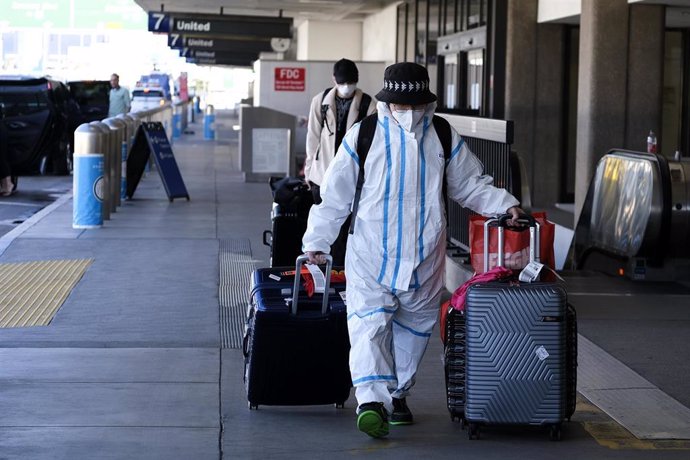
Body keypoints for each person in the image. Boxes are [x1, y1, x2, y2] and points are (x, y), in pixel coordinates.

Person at [302, 62, 522, 439]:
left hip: (425, 257)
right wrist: (317, 244)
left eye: (415, 105)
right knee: (368, 325)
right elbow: (334, 197)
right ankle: (371, 401)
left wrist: (504, 204)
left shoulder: (442, 136)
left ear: (426, 103)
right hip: (371, 252)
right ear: (389, 103)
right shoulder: (364, 136)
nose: (409, 113)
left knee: (413, 333)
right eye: (401, 106)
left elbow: (469, 184)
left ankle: (397, 394)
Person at [304, 58, 376, 265]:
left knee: (346, 229)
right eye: (343, 82)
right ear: (334, 79)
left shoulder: (368, 104)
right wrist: (309, 170)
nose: (347, 87)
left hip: (352, 177)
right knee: (323, 220)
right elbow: (312, 137)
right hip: (322, 173)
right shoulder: (320, 101)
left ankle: (341, 270)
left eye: (351, 82)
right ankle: (322, 269)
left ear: (357, 80)